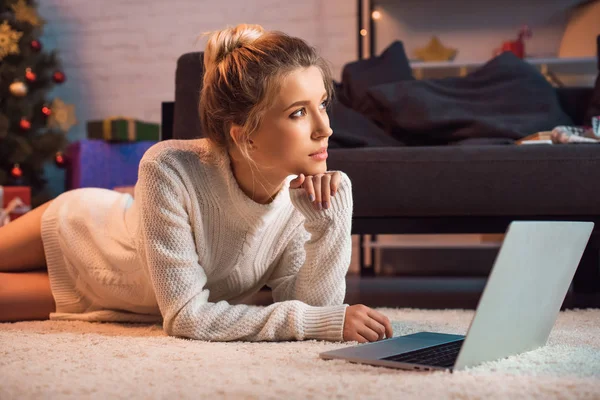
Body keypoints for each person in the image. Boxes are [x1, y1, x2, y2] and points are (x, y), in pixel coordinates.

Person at [0, 24, 393, 343]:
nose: (325, 128)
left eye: (322, 104)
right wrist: (309, 322)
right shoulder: (169, 166)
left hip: (119, 298)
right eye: (298, 113)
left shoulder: (302, 199)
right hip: (86, 234)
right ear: (245, 135)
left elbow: (312, 309)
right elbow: (188, 317)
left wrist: (329, 223)